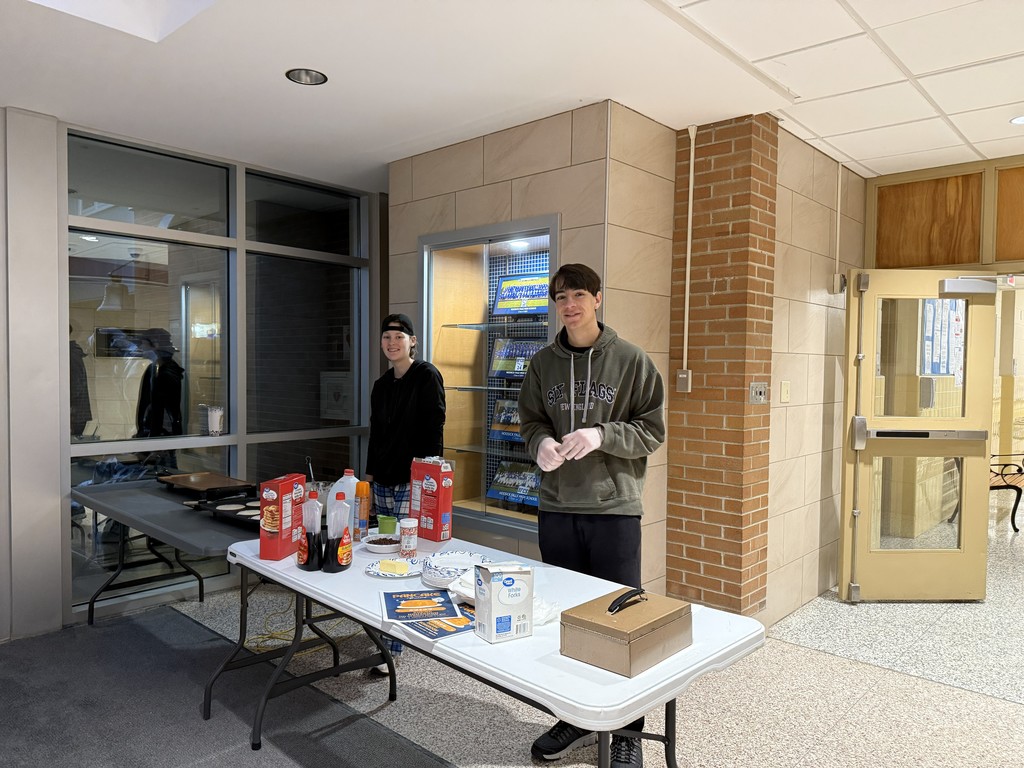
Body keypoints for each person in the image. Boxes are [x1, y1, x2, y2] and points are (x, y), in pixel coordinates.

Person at [517, 264, 665, 768]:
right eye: (561, 297)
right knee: (566, 619)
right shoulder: (542, 364)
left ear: (598, 298)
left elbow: (652, 429)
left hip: (613, 509)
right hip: (557, 508)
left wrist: (603, 434)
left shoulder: (631, 361)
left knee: (620, 621)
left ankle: (627, 728)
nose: (570, 304)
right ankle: (575, 716)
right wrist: (538, 444)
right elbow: (531, 420)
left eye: (579, 294)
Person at [365, 313, 445, 673]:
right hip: (382, 481)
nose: (392, 342)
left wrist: (429, 477)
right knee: (383, 553)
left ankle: (393, 644)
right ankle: (383, 625)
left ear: (413, 341)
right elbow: (375, 433)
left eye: (399, 336)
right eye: (386, 337)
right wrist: (367, 479)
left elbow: (435, 427)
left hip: (414, 482)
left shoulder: (427, 376)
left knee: (404, 557)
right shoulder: (381, 384)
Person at [135, 328, 185, 468]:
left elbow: (165, 408)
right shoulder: (157, 368)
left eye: (143, 344)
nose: (140, 348)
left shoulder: (166, 370)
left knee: (164, 473)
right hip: (157, 436)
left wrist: (155, 438)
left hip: (161, 438)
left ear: (155, 345)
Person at [69, 325, 92, 438]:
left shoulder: (71, 353)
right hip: (74, 412)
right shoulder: (70, 352)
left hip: (74, 414)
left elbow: (76, 385)